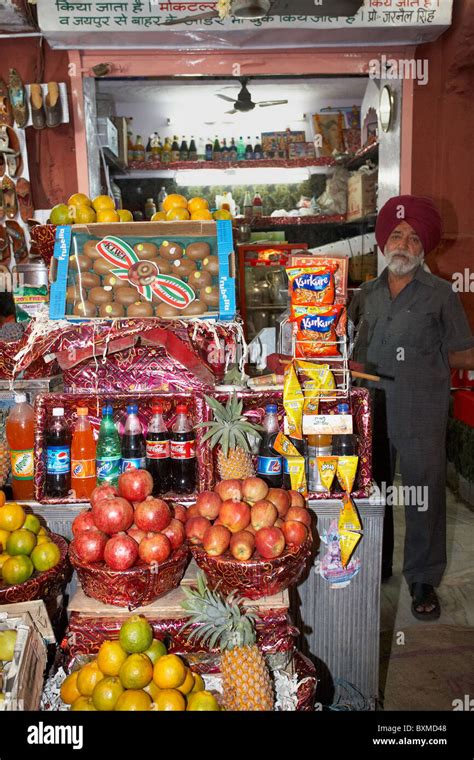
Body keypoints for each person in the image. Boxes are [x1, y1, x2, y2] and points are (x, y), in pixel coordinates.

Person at [349, 195, 474, 620]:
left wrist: (428, 359)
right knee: (372, 490)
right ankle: (376, 566)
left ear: (425, 248)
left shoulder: (440, 294)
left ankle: (422, 580)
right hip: (372, 407)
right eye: (397, 235)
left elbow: (464, 353)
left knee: (423, 494)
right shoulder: (365, 293)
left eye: (415, 238)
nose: (404, 244)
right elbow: (354, 351)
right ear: (385, 242)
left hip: (422, 405)